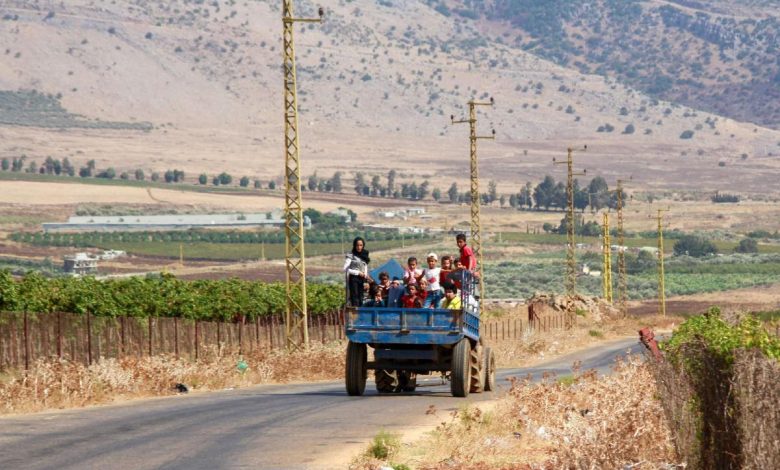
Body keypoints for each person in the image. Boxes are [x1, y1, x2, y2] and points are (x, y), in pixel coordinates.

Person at [343, 237, 370, 306]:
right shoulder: (351, 255)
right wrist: (357, 272)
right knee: (355, 297)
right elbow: (345, 269)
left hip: (362, 279)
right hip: (354, 278)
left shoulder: (365, 254)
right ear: (354, 245)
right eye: (357, 245)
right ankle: (355, 314)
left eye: (361, 245)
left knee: (361, 297)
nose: (359, 247)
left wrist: (365, 276)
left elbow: (365, 266)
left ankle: (361, 314)